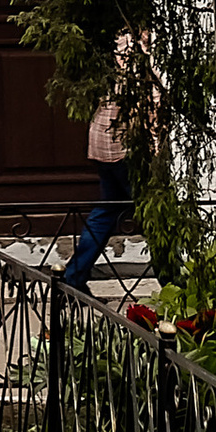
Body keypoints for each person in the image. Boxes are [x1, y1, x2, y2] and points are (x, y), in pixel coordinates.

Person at [59, 48, 135, 295]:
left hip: (103, 140)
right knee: (156, 218)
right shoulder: (141, 46)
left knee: (107, 209)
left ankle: (73, 278)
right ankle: (174, 284)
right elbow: (151, 95)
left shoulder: (108, 42)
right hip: (130, 145)